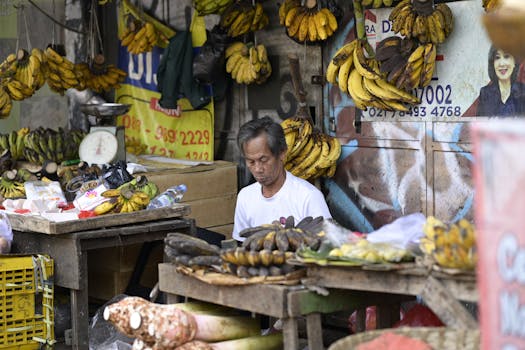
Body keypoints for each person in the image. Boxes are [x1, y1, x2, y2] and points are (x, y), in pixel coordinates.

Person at [232, 116, 332, 242]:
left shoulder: (308, 196)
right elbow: (240, 244)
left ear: (282, 153)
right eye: (251, 162)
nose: (258, 169)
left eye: (263, 160)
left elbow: (328, 243)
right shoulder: (245, 197)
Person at [476, 46, 525, 117]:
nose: (501, 64)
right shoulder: (485, 93)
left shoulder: (523, 91)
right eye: (497, 58)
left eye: (506, 56)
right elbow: (479, 125)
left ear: (515, 62)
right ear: (493, 63)